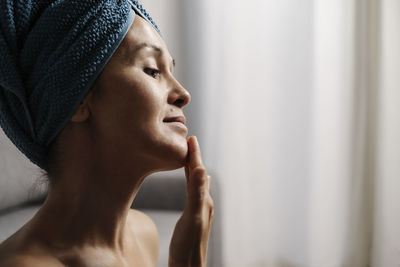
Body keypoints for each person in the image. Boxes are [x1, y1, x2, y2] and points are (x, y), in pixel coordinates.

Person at [0, 0, 213, 266]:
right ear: (76, 99)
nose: (184, 94)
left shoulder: (143, 235)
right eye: (152, 70)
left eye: (171, 70)